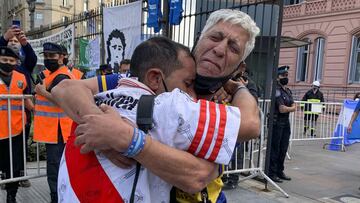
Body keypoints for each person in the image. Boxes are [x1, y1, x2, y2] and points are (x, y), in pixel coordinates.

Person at [53, 9, 260, 202]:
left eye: (233, 47)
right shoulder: (158, 76)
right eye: (215, 37)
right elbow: (65, 89)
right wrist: (101, 126)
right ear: (199, 39)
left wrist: (126, 139)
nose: (220, 49)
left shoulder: (231, 108)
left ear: (239, 66)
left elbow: (198, 176)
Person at [32, 42, 75, 203]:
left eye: (52, 56)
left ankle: (57, 198)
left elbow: (61, 100)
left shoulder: (61, 76)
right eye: (46, 56)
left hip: (59, 130)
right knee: (57, 167)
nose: (48, 59)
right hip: (57, 129)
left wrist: (42, 91)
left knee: (55, 168)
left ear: (62, 57)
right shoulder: (52, 74)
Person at [0, 25, 37, 189]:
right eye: (11, 40)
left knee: (17, 154)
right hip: (1, 125)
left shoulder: (23, 67)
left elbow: (32, 59)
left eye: (17, 41)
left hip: (20, 121)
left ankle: (18, 178)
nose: (14, 43)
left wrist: (25, 43)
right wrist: (4, 38)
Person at [269, 65, 296, 183]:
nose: (286, 77)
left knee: (284, 147)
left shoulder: (287, 91)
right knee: (275, 148)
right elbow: (281, 109)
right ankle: (272, 173)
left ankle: (280, 171)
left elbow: (295, 105)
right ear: (277, 77)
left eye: (286, 75)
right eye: (283, 75)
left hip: (285, 122)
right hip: (277, 122)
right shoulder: (276, 90)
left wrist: (290, 108)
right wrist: (291, 108)